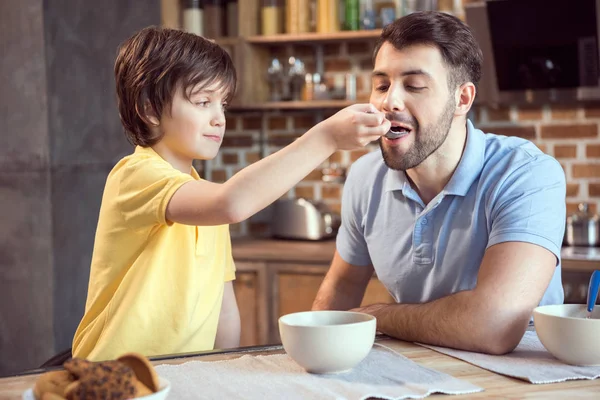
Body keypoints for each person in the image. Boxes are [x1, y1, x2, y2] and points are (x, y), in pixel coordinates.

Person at [72, 26, 390, 361]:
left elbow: (224, 312)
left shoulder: (204, 198)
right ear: (149, 109)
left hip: (182, 377)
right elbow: (232, 203)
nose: (219, 118)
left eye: (222, 103)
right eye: (203, 102)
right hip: (112, 375)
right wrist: (326, 138)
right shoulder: (136, 175)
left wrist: (226, 366)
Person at [312, 11, 566, 355]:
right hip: (417, 365)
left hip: (522, 376)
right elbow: (341, 287)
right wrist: (315, 351)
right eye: (382, 85)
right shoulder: (364, 177)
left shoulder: (526, 173)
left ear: (462, 99)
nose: (389, 102)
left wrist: (377, 316)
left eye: (414, 86)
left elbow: (494, 326)